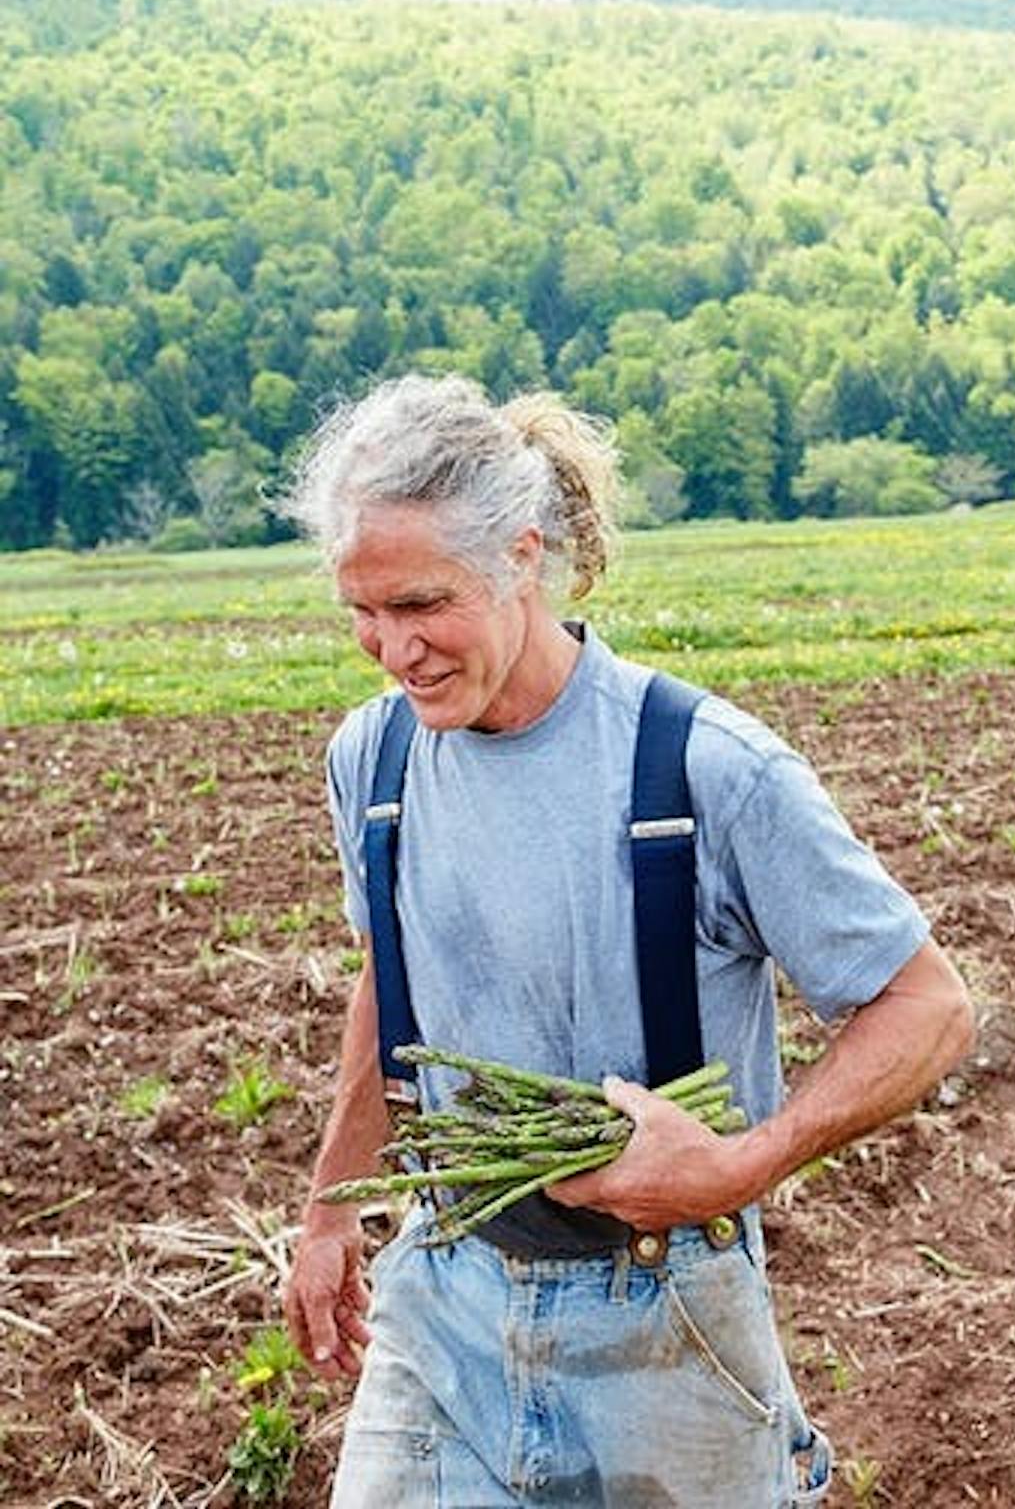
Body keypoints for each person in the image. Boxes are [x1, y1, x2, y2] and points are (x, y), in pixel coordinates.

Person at [282, 373, 975, 1509]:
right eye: (363, 612)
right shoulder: (375, 764)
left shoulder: (705, 769)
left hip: (660, 1313)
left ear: (522, 556)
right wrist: (329, 1208)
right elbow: (391, 982)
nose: (391, 650)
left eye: (421, 605)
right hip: (444, 1289)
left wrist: (740, 1164)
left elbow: (929, 1006)